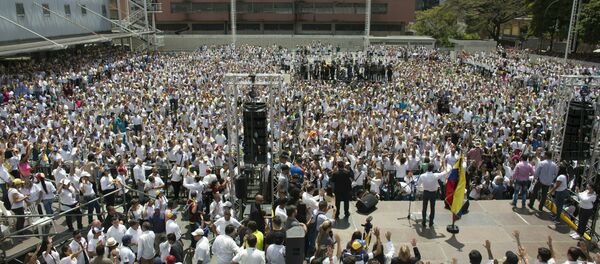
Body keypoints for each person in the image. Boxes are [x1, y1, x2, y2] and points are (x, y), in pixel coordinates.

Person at [416, 163, 449, 228]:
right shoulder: (435, 175)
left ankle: (424, 221)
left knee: (424, 208)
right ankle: (431, 222)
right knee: (432, 208)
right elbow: (445, 172)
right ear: (432, 169)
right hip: (433, 193)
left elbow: (418, 184)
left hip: (425, 192)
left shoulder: (422, 175)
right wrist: (444, 164)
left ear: (427, 168)